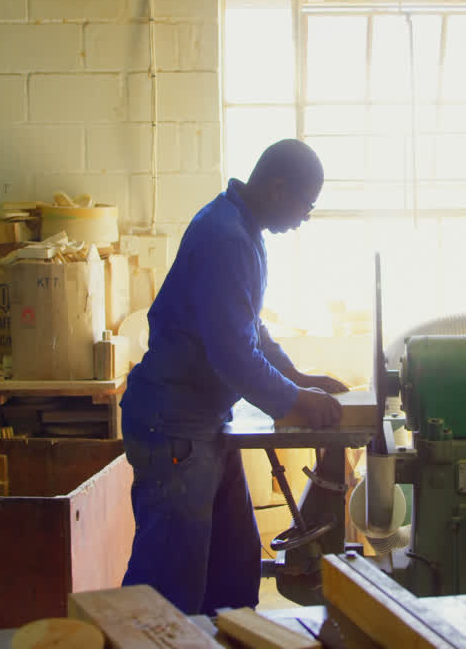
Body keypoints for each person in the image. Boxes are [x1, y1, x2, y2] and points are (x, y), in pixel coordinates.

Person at [120, 138, 347, 615]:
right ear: (278, 187)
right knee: (168, 585)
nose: (305, 217)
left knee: (233, 569)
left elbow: (249, 327)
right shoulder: (225, 236)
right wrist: (299, 403)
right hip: (174, 427)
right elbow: (234, 356)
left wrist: (296, 375)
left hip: (203, 423)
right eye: (306, 205)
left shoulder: (243, 230)